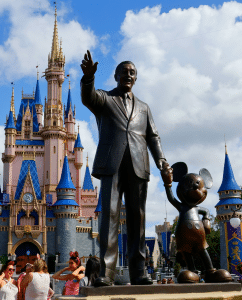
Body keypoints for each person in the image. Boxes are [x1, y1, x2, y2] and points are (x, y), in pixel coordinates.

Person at [81, 50, 171, 286]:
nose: (128, 75)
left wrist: (162, 161)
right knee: (109, 218)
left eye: (132, 72)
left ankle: (139, 272)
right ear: (116, 76)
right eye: (124, 72)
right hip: (112, 165)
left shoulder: (144, 107)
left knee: (137, 218)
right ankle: (106, 273)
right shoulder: (105, 99)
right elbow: (88, 97)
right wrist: (88, 78)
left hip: (139, 165)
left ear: (136, 78)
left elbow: (153, 137)